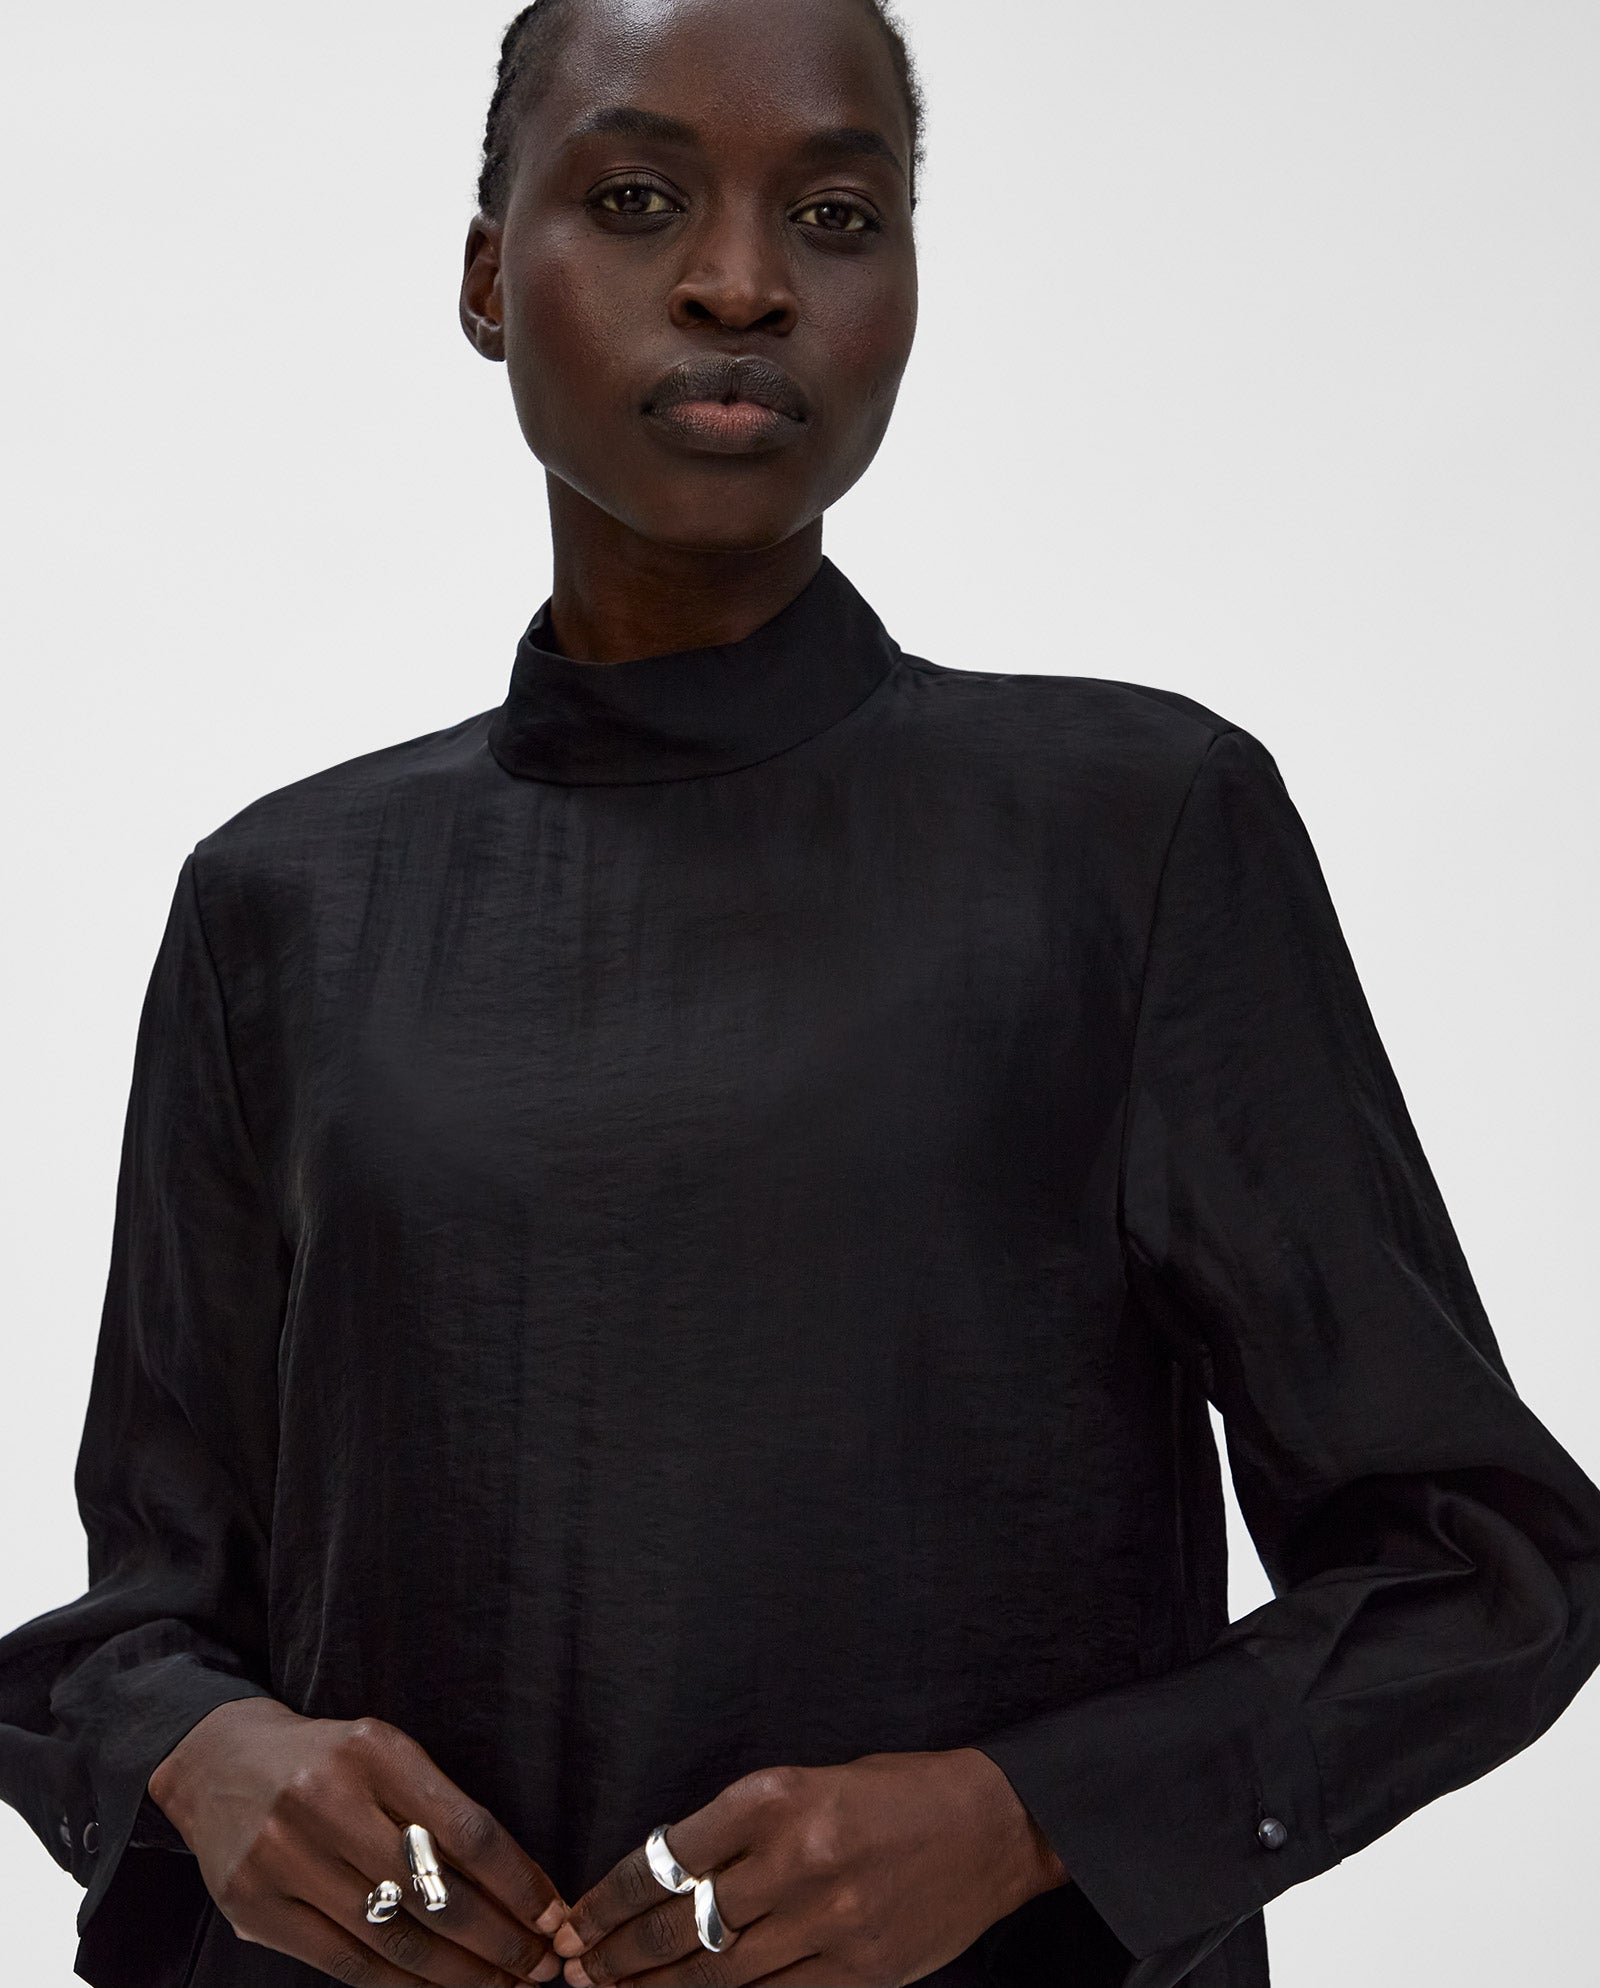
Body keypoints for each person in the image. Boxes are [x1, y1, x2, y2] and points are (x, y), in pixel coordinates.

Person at [3, 1, 1598, 1984]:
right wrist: (203, 1756)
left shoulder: (1131, 833)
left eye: (836, 213)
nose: (742, 280)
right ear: (493, 279)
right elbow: (146, 1621)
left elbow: (1480, 1567)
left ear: (905, 286)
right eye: (639, 196)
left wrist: (1022, 1821)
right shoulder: (283, 903)